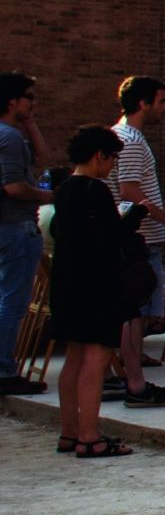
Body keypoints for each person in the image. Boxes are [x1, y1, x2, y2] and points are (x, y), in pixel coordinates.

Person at [49, 125, 139, 459]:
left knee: (74, 356)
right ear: (100, 155)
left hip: (67, 282)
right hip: (97, 283)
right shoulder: (95, 190)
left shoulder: (64, 190)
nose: (113, 165)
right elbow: (113, 235)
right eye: (112, 158)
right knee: (96, 358)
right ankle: (90, 435)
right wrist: (137, 215)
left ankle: (69, 432)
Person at [109, 74, 165, 409]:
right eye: (161, 101)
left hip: (140, 238)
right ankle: (134, 383)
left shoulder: (127, 137)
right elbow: (130, 192)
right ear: (143, 103)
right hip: (138, 239)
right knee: (135, 313)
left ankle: (127, 373)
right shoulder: (129, 140)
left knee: (136, 313)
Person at [0, 72, 54, 397]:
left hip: (9, 227)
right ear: (12, 101)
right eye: (29, 97)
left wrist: (30, 123)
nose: (33, 102)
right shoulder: (8, 137)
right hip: (16, 227)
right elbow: (14, 187)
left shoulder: (12, 135)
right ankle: (5, 370)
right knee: (13, 302)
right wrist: (50, 196)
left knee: (8, 299)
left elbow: (42, 158)